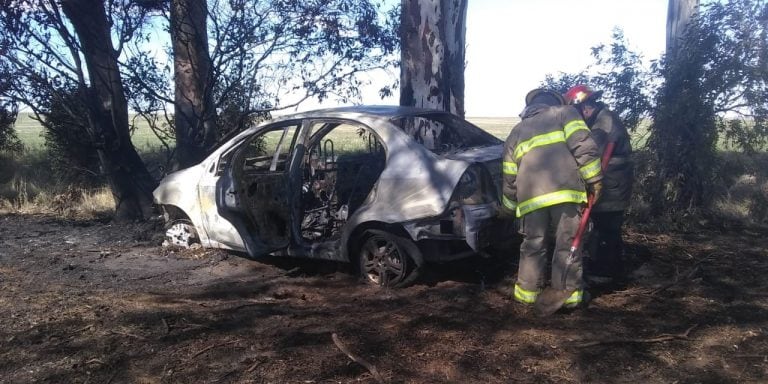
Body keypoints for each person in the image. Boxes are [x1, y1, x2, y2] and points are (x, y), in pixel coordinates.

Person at [502, 88, 603, 308]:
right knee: (567, 244)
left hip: (530, 201)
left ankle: (526, 295)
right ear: (554, 103)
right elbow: (584, 147)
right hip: (565, 194)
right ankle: (569, 297)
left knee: (532, 246)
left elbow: (509, 175)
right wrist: (594, 179)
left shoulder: (516, 132)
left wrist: (509, 206)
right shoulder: (565, 114)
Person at [563, 84, 634, 285]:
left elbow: (591, 155)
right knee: (606, 227)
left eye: (575, 112)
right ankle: (610, 266)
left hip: (611, 185)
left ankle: (606, 272)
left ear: (584, 107)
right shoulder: (601, 119)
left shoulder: (603, 125)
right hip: (612, 182)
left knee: (607, 226)